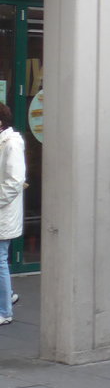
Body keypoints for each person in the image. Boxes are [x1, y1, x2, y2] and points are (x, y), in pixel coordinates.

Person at [0, 103, 26, 326]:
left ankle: (5, 311)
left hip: (3, 214)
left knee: (0, 260)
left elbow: (14, 182)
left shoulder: (11, 145)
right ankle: (7, 297)